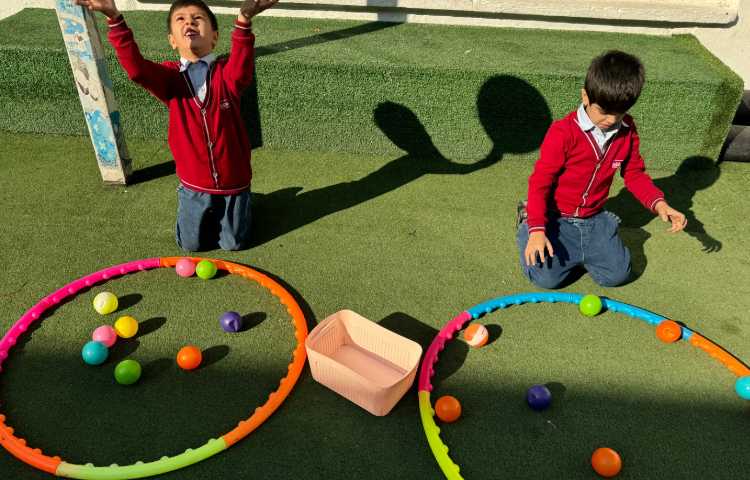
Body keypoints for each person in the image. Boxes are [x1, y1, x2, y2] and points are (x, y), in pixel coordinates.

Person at [74, 0, 278, 251]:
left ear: (214, 37)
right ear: (172, 40)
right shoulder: (170, 79)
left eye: (197, 18)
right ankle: (198, 205)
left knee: (234, 244)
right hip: (195, 184)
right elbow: (137, 71)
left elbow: (242, 67)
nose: (189, 22)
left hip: (234, 181)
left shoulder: (227, 74)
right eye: (181, 19)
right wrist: (114, 17)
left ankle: (243, 202)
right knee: (190, 245)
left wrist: (244, 20)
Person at [517, 50, 687, 289]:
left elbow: (634, 174)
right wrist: (537, 230)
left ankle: (598, 234)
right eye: (604, 112)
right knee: (547, 279)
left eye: (619, 113)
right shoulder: (563, 133)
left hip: (593, 218)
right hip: (555, 216)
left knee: (617, 276)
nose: (611, 120)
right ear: (585, 96)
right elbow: (540, 183)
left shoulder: (627, 129)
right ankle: (528, 220)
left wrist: (660, 204)